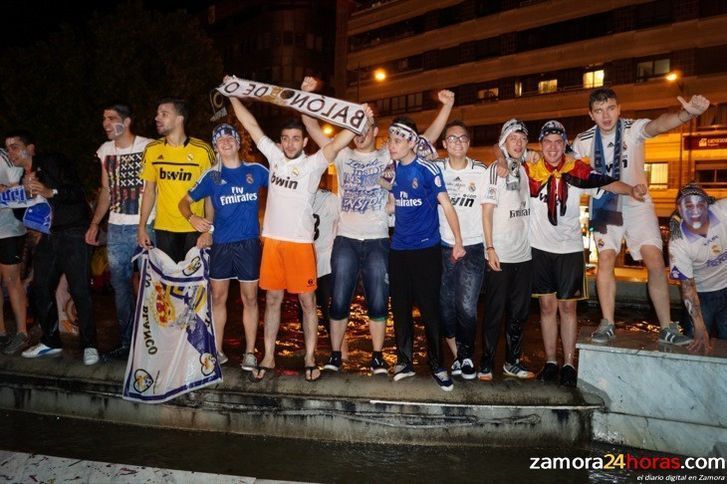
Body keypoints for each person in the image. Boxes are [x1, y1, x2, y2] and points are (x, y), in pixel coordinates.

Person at [301, 83, 454, 376]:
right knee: (339, 300)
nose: (359, 135)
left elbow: (425, 139)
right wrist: (306, 93)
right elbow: (311, 126)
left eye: (365, 128)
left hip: (378, 239)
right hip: (345, 238)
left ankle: (377, 357)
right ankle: (334, 356)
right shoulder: (342, 155)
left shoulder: (388, 154)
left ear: (375, 132)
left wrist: (445, 107)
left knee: (378, 301)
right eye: (355, 129)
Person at [227, 76, 372, 382]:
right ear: (280, 141)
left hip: (300, 246)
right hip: (274, 244)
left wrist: (360, 119)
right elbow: (251, 125)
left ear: (304, 141)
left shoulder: (314, 164)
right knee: (274, 302)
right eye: (286, 138)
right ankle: (267, 357)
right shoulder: (275, 157)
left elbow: (337, 143)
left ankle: (309, 357)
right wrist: (232, 95)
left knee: (308, 303)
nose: (290, 143)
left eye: (296, 138)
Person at [572, 88, 710, 346]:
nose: (606, 115)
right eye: (599, 111)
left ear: (619, 108)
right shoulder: (584, 139)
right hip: (604, 203)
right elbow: (563, 159)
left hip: (637, 201)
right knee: (606, 258)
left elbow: (658, 125)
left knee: (655, 260)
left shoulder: (632, 129)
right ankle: (607, 322)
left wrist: (684, 115)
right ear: (591, 115)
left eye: (610, 108)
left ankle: (667, 327)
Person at [526, 121, 646, 386]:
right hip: (539, 249)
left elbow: (608, 183)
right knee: (546, 307)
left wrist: (632, 189)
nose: (553, 147)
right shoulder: (530, 170)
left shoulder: (577, 170)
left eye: (559, 142)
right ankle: (550, 361)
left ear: (565, 145)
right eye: (548, 141)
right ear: (541, 144)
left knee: (568, 307)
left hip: (569, 249)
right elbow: (505, 156)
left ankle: (568, 362)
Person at [4, 130, 98, 365]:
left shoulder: (52, 162)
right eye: (7, 148)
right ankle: (51, 341)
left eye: (15, 146)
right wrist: (15, 195)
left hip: (73, 231)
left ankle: (90, 344)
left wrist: (49, 191)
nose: (10, 152)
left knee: (79, 288)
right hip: (48, 236)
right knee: (39, 288)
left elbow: (75, 191)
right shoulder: (20, 179)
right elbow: (21, 213)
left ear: (31, 148)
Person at [180, 123, 268, 369]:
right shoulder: (212, 176)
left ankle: (250, 352)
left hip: (249, 243)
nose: (226, 142)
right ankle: (217, 350)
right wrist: (193, 219)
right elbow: (184, 202)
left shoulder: (257, 170)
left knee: (250, 298)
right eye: (220, 140)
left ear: (239, 143)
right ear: (216, 147)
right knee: (218, 298)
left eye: (230, 138)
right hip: (221, 244)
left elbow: (282, 190)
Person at [387, 114, 466, 392]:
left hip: (426, 249)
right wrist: (388, 192)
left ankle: (437, 365)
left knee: (430, 310)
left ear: (410, 142)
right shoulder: (391, 169)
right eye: (390, 140)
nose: (391, 145)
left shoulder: (428, 169)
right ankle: (404, 362)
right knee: (400, 308)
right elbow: (390, 207)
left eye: (397, 140)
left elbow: (446, 204)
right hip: (398, 249)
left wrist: (458, 240)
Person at [85, 103, 152, 359]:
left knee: (150, 285)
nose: (106, 123)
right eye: (104, 119)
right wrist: (95, 223)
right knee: (120, 287)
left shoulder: (148, 147)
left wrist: (145, 225)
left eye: (111, 118)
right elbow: (106, 190)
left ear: (127, 121)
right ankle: (127, 343)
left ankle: (151, 344)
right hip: (116, 227)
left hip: (146, 225)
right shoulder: (105, 151)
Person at [480, 119, 534, 381]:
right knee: (493, 311)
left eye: (522, 139)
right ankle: (486, 362)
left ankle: (512, 362)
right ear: (504, 141)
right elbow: (487, 212)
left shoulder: (526, 169)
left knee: (519, 313)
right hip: (500, 253)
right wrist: (489, 248)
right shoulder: (495, 170)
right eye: (513, 138)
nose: (518, 143)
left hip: (524, 255)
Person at [433, 120, 487, 381]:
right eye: (452, 139)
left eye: (462, 138)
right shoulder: (435, 169)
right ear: (444, 144)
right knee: (444, 308)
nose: (457, 143)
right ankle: (458, 355)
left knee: (466, 307)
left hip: (473, 245)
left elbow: (491, 209)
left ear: (468, 143)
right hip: (442, 246)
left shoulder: (481, 171)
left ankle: (465, 356)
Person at [138, 98, 215, 263]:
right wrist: (142, 227)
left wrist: (209, 230)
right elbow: (149, 191)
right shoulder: (151, 150)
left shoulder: (203, 150)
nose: (157, 118)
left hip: (195, 227)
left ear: (180, 119)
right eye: (157, 114)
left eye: (164, 114)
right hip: (164, 229)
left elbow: (211, 194)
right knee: (169, 284)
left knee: (196, 285)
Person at [668, 183, 726, 352]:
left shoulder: (723, 211)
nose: (695, 211)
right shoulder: (678, 243)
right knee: (697, 345)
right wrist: (699, 326)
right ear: (679, 208)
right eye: (688, 205)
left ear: (708, 205)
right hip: (702, 295)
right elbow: (688, 287)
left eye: (700, 205)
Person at [0, 148, 29, 355]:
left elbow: (18, 186)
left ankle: (22, 332)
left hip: (7, 229)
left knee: (12, 280)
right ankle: (1, 332)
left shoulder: (5, 156)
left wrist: (5, 187)